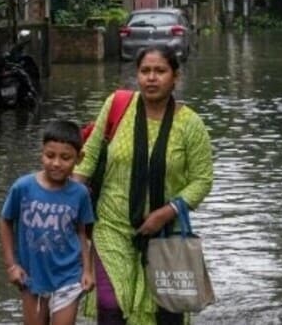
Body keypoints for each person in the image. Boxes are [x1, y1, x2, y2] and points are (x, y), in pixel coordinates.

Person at [75, 47, 213, 325]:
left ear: (175, 76)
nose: (152, 78)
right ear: (137, 75)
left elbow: (202, 180)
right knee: (110, 304)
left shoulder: (190, 124)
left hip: (165, 231)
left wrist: (167, 212)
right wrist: (66, 199)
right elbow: (87, 158)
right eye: (145, 71)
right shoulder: (117, 106)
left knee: (166, 311)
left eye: (160, 71)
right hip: (112, 225)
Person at [0, 120, 96, 325]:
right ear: (41, 154)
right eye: (50, 156)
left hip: (69, 275)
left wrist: (87, 270)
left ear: (79, 158)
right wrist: (11, 265)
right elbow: (6, 221)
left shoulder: (80, 194)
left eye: (65, 157)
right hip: (31, 275)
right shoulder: (23, 187)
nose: (56, 163)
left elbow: (82, 232)